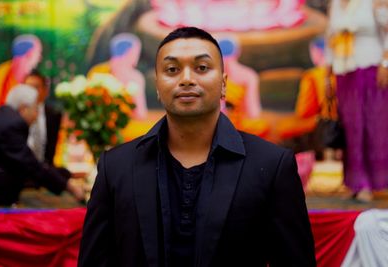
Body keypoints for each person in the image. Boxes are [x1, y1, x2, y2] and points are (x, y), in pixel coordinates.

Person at [78, 27, 315, 267]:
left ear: (223, 84)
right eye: (172, 70)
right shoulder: (116, 167)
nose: (187, 79)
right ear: (158, 86)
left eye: (202, 68)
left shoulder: (271, 165)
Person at [325, 0, 388, 202]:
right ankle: (356, 183)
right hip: (345, 72)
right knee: (352, 128)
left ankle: (376, 182)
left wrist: (386, 63)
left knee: (374, 126)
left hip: (371, 69)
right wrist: (327, 75)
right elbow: (330, 38)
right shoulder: (335, 4)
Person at [0, 84, 85, 207]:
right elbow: (30, 165)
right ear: (23, 108)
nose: (37, 115)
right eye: (35, 109)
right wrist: (69, 187)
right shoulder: (13, 123)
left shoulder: (0, 117)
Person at [87, 33, 147, 119]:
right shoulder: (135, 76)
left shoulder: (96, 71)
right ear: (129, 52)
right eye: (137, 51)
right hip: (125, 126)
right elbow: (140, 113)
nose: (137, 56)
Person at [0, 34, 42, 112]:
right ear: (29, 54)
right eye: (38, 53)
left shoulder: (33, 76)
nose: (39, 58)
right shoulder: (4, 71)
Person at [24, 69, 63, 165]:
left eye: (36, 87)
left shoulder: (54, 115)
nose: (31, 92)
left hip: (45, 171)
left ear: (45, 91)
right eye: (27, 87)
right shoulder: (16, 114)